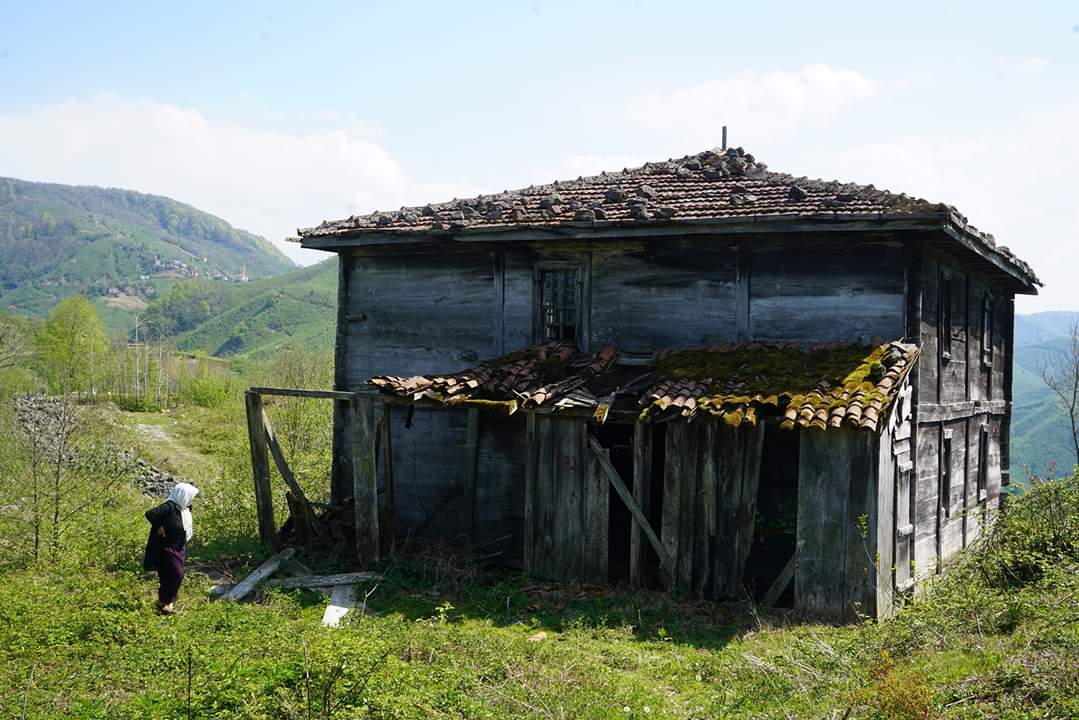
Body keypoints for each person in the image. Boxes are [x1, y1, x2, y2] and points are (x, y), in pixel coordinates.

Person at [143, 482, 199, 614]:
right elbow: (150, 513)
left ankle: (167, 605)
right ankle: (163, 601)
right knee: (177, 574)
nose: (191, 499)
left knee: (169, 575)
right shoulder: (170, 506)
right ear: (183, 495)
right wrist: (159, 526)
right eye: (190, 496)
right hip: (167, 546)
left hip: (179, 546)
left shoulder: (184, 508)